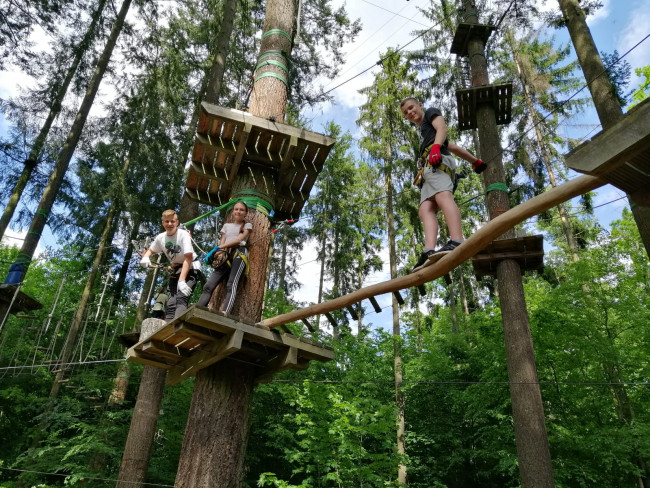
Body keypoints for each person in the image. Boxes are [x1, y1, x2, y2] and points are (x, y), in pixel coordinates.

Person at [400, 96, 487, 270]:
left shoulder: (430, 114)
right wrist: (474, 161)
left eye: (411, 107)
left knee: (442, 196)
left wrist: (435, 148)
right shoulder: (425, 132)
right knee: (425, 209)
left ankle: (456, 239)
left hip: (437, 163)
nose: (410, 112)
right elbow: (451, 145)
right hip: (428, 169)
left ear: (420, 105)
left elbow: (442, 128)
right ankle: (428, 251)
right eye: (406, 112)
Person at [140, 210, 201, 322]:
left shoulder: (183, 235)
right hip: (177, 269)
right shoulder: (160, 238)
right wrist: (145, 257)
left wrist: (182, 281)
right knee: (171, 302)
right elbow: (151, 250)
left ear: (177, 222)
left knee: (181, 299)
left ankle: (177, 329)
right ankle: (167, 330)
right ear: (163, 223)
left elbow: (188, 257)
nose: (169, 224)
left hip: (191, 267)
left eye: (172, 221)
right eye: (167, 221)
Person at [197, 201, 252, 314]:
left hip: (239, 253)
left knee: (231, 283)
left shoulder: (247, 225)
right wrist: (218, 252)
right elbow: (222, 241)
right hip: (225, 255)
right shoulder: (226, 226)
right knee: (208, 286)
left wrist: (217, 248)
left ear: (246, 213)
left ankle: (225, 312)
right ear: (233, 211)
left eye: (241, 210)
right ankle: (198, 308)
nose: (238, 211)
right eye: (236, 209)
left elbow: (238, 240)